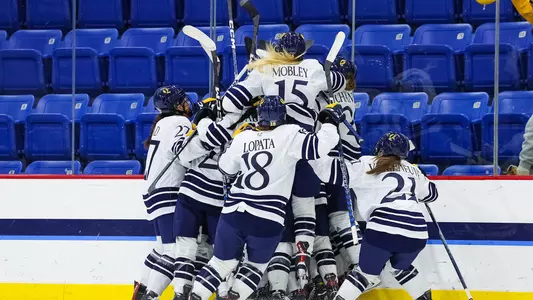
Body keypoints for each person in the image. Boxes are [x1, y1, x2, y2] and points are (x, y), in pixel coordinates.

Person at [221, 31, 347, 286]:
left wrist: (248, 86)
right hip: (304, 144)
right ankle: (303, 261)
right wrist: (326, 83)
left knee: (273, 214)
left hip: (272, 144)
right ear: (302, 52)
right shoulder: (312, 68)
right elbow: (341, 82)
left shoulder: (266, 69)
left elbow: (229, 103)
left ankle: (264, 280)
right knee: (304, 206)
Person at [188, 96, 345, 300]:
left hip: (233, 213)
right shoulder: (290, 133)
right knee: (255, 267)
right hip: (267, 218)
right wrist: (330, 120)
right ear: (283, 116)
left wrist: (235, 142)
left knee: (220, 264)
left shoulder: (244, 137)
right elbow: (321, 145)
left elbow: (225, 169)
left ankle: (195, 296)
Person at [311, 132, 438, 300]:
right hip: (417, 233)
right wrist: (420, 174)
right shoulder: (413, 169)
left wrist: (311, 153)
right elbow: (432, 194)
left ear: (380, 150)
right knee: (399, 267)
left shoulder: (368, 163)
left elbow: (327, 171)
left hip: (383, 229)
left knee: (364, 273)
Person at [133, 86, 194, 300]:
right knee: (173, 251)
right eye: (183, 101)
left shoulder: (162, 123)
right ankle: (151, 296)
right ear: (176, 105)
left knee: (161, 246)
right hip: (167, 190)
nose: (187, 104)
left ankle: (140, 290)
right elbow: (183, 153)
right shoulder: (180, 122)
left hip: (152, 190)